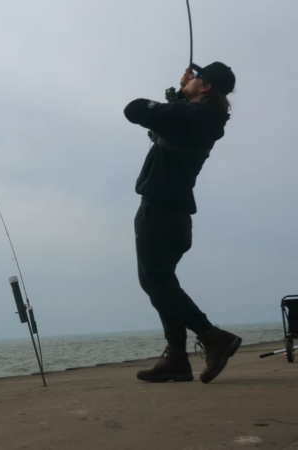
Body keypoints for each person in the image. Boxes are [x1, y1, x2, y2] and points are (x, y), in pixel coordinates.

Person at [123, 62, 242, 384]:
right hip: (173, 215)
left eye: (197, 78)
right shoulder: (201, 118)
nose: (191, 79)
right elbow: (162, 124)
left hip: (160, 212)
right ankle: (176, 358)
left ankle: (212, 336)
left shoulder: (193, 115)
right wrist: (181, 97)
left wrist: (178, 96)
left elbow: (133, 109)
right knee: (164, 283)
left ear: (205, 87)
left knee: (156, 283)